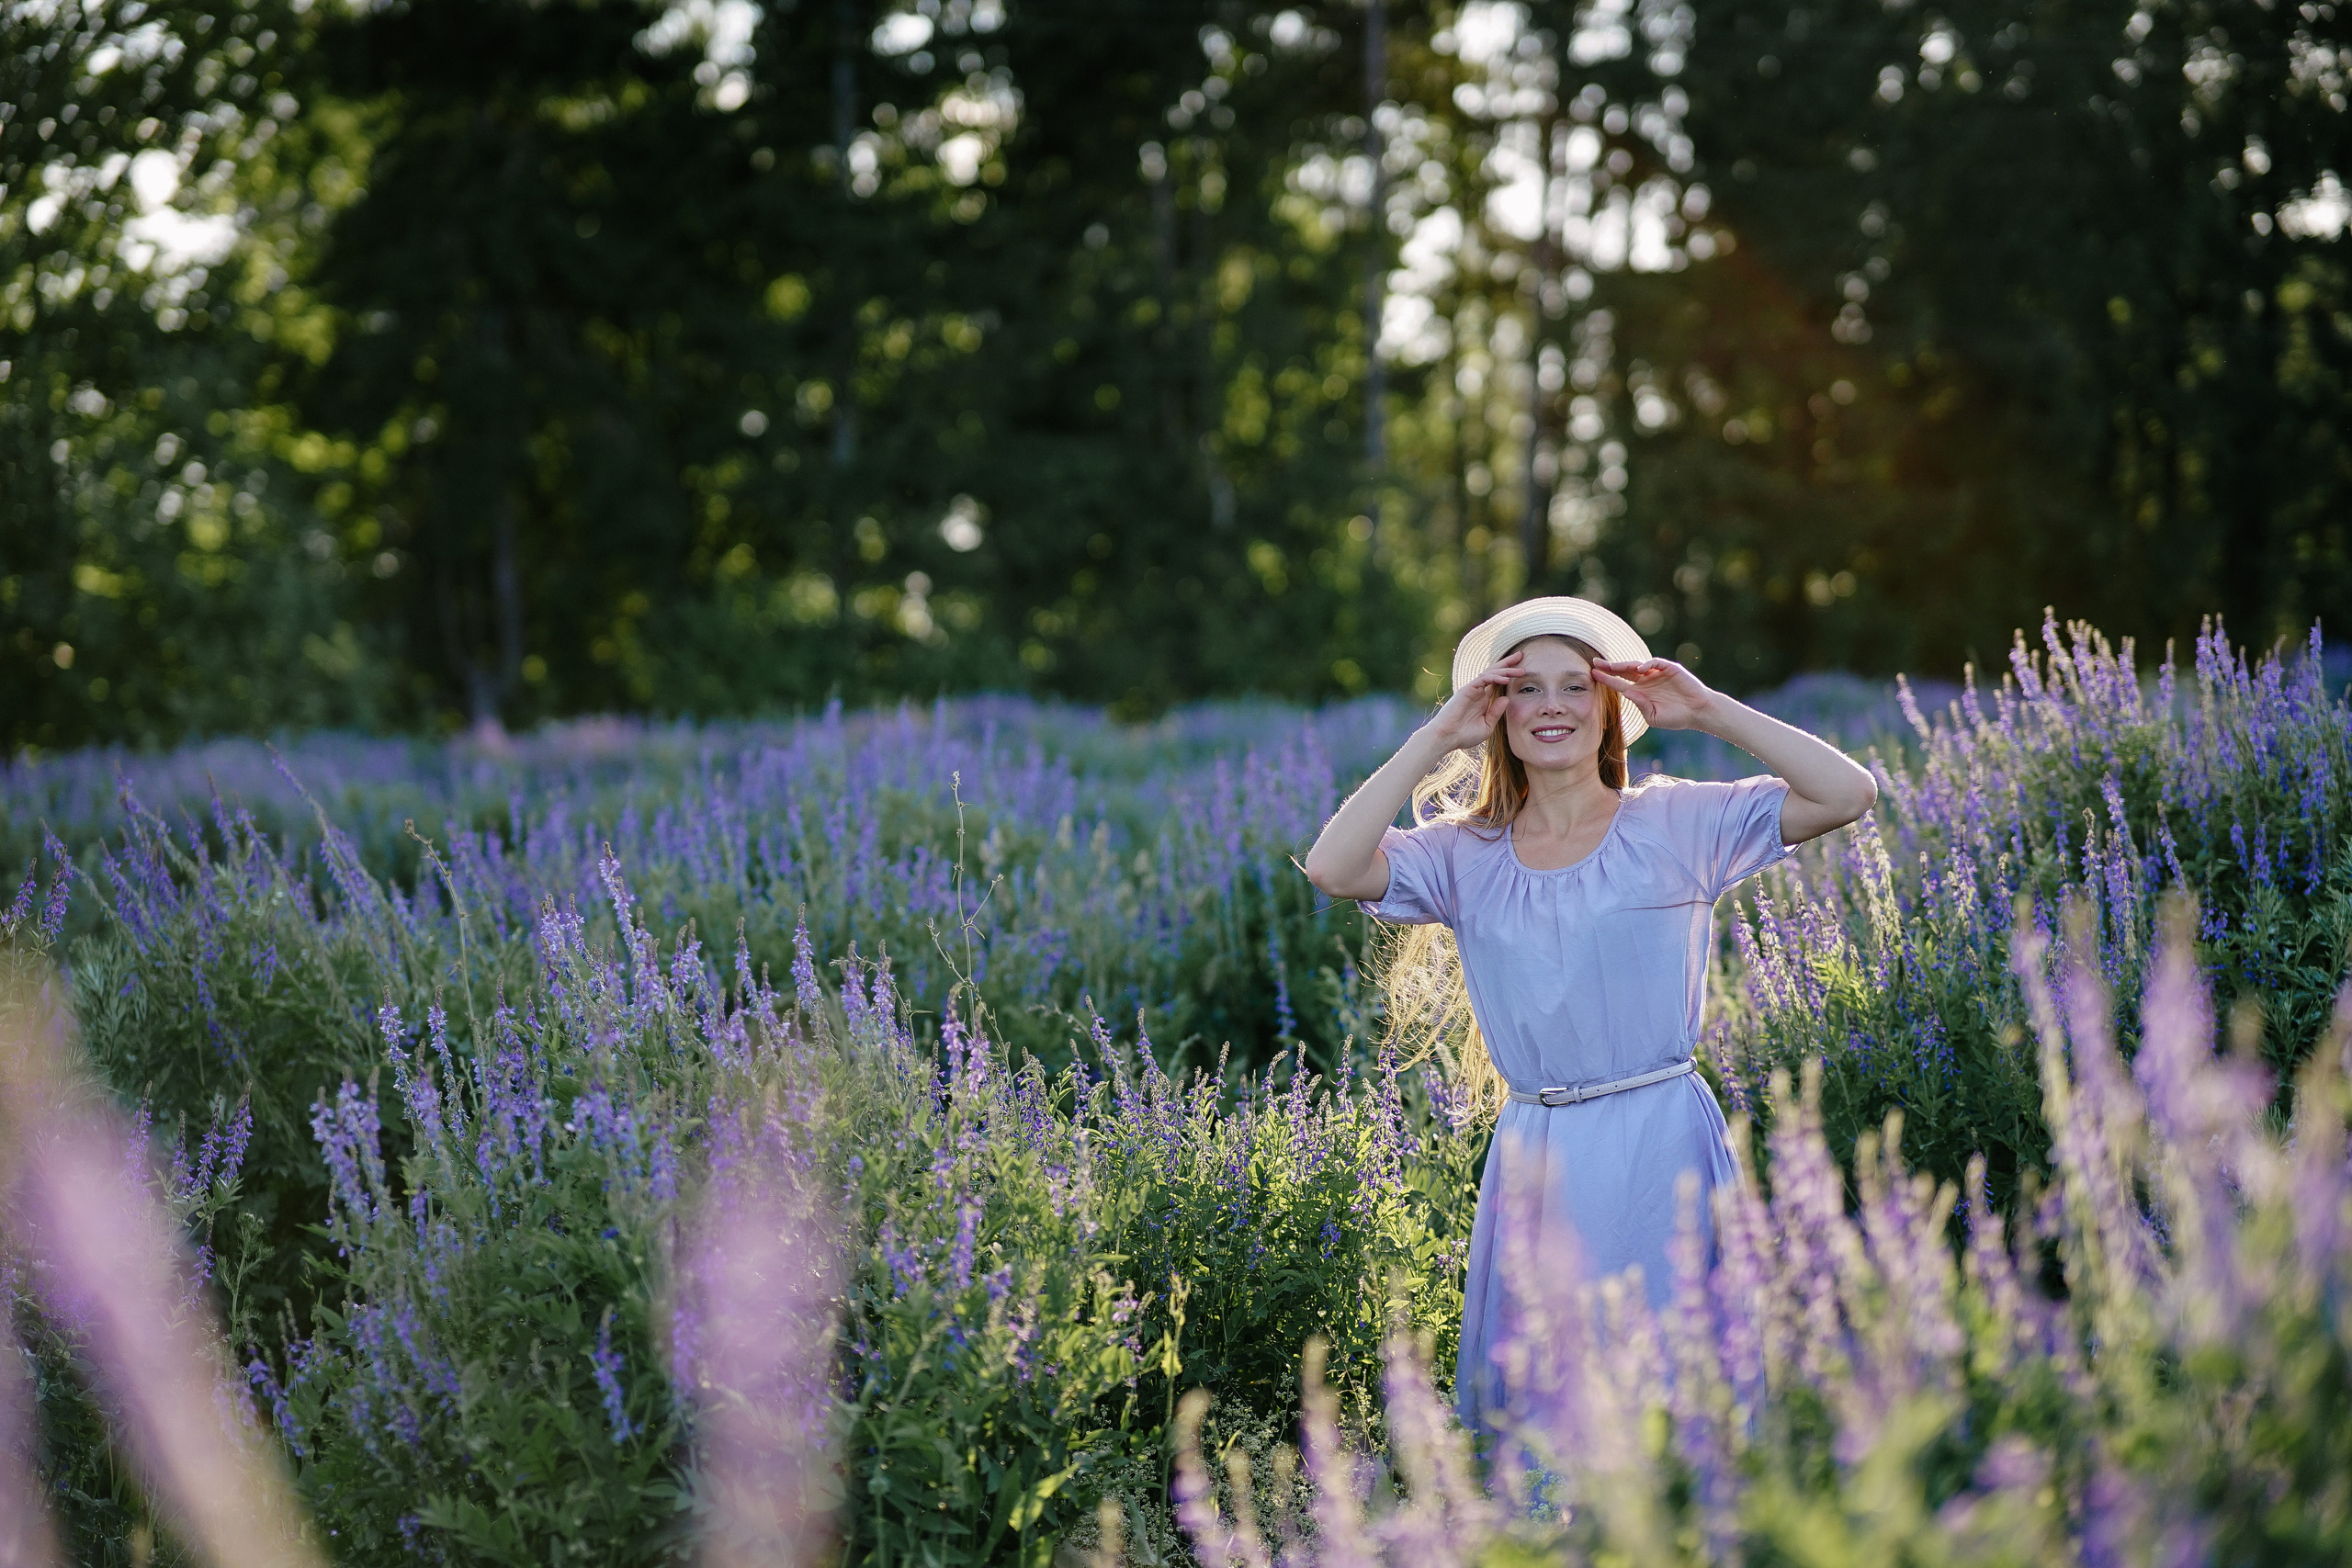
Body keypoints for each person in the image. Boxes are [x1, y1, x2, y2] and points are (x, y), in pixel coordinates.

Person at [1300, 596, 1877, 1426]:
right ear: (1499, 712)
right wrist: (1435, 738)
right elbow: (1331, 866)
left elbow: (1847, 792)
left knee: (1677, 1408)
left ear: (1609, 706)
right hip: (1541, 1154)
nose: (1553, 706)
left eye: (1576, 685)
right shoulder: (1465, 853)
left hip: (1661, 1139)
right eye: (1527, 688)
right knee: (1554, 1422)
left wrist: (1708, 709)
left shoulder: (1677, 820)